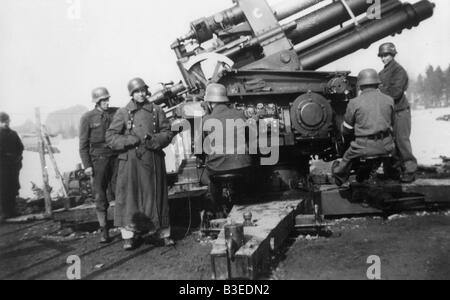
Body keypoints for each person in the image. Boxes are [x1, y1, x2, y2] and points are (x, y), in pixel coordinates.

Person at [106, 78, 175, 250]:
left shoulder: (157, 110)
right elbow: (110, 138)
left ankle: (163, 234)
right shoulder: (123, 113)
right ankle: (128, 236)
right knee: (130, 200)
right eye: (137, 91)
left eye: (143, 90)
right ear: (131, 94)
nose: (141, 94)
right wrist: (129, 140)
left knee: (157, 198)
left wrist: (157, 139)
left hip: (153, 161)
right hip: (130, 164)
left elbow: (167, 132)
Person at [332, 69, 396, 186]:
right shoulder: (389, 100)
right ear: (377, 84)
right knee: (381, 157)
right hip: (387, 145)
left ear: (360, 86)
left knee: (347, 156)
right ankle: (368, 174)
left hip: (364, 146)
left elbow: (347, 129)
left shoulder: (354, 103)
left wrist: (347, 139)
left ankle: (339, 177)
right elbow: (393, 124)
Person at [202, 83, 253, 217]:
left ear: (210, 103)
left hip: (217, 167)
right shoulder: (240, 114)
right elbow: (249, 138)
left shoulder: (206, 120)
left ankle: (217, 208)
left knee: (207, 175)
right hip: (242, 165)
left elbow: (201, 147)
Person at [79, 87, 118, 243]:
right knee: (100, 195)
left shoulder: (115, 113)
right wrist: (87, 165)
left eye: (107, 99)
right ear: (97, 102)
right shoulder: (87, 118)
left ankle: (127, 227)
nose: (107, 103)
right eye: (103, 100)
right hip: (98, 160)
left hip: (115, 158)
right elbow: (83, 144)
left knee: (120, 191)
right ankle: (104, 230)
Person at [378, 42, 418, 183]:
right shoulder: (382, 73)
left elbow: (395, 92)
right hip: (389, 112)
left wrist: (379, 91)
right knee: (390, 143)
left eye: (386, 55)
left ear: (393, 55)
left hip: (400, 111)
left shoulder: (398, 71)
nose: (383, 58)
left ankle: (410, 170)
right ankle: (393, 171)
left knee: (402, 141)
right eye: (382, 56)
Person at [0, 112, 24, 222]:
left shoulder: (13, 134)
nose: (5, 123)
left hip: (14, 166)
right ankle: (5, 212)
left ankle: (12, 210)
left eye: (7, 121)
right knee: (3, 189)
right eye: (3, 121)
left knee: (14, 187)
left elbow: (20, 147)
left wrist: (18, 159)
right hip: (2, 167)